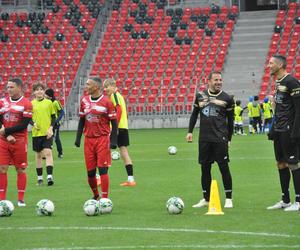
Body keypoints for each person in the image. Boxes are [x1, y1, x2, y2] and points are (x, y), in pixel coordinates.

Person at [186, 71, 234, 208]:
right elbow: (194, 114)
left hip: (220, 138)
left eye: (220, 80)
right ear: (209, 81)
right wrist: (190, 131)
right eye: (216, 80)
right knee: (205, 169)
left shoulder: (227, 98)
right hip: (204, 139)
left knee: (224, 167)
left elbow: (230, 121)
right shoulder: (200, 96)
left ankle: (229, 198)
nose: (219, 82)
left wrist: (229, 139)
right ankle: (206, 198)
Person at [75, 77, 118, 200]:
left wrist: (113, 141)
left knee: (103, 170)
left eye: (89, 84)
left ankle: (105, 199)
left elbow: (114, 123)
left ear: (96, 87)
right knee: (90, 173)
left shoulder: (107, 102)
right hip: (88, 141)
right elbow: (82, 120)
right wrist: (78, 138)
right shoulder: (84, 101)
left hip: (102, 140)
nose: (86, 86)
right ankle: (96, 195)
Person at [267, 54, 300, 211]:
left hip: (289, 130)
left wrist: (295, 132)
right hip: (279, 129)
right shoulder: (278, 82)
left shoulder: (291, 81)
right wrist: (273, 127)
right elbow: (279, 109)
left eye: (271, 63)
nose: (269, 65)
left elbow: (299, 109)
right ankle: (285, 199)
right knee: (280, 164)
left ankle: (298, 201)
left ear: (280, 65)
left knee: (293, 163)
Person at [0, 78, 32, 207]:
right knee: (2, 168)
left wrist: (6, 131)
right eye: (8, 87)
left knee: (20, 169)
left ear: (19, 88)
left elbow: (24, 125)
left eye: (11, 87)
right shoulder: (2, 102)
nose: (9, 90)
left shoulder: (27, 104)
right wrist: (6, 134)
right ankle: (2, 199)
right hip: (3, 140)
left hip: (19, 141)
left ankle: (20, 199)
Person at [103, 78, 136, 186]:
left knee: (104, 151)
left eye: (106, 87)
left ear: (112, 86)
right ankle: (131, 179)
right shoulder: (120, 96)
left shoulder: (114, 95)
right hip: (123, 127)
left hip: (117, 128)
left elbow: (119, 110)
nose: (105, 89)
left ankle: (101, 178)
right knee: (124, 153)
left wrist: (114, 126)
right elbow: (125, 113)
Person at [31, 83, 56, 186]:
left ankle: (49, 177)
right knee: (38, 156)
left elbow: (54, 117)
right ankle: (40, 178)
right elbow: (28, 118)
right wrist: (33, 124)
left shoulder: (49, 103)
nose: (39, 91)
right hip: (36, 134)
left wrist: (51, 128)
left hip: (47, 133)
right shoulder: (31, 104)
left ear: (44, 91)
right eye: (37, 90)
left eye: (41, 89)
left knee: (48, 153)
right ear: (34, 92)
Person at [45, 88, 65, 158]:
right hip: (48, 124)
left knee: (56, 138)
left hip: (55, 124)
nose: (44, 95)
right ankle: (46, 154)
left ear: (49, 96)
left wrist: (57, 120)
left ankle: (60, 153)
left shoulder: (56, 102)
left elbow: (62, 112)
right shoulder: (46, 102)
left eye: (46, 94)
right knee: (46, 138)